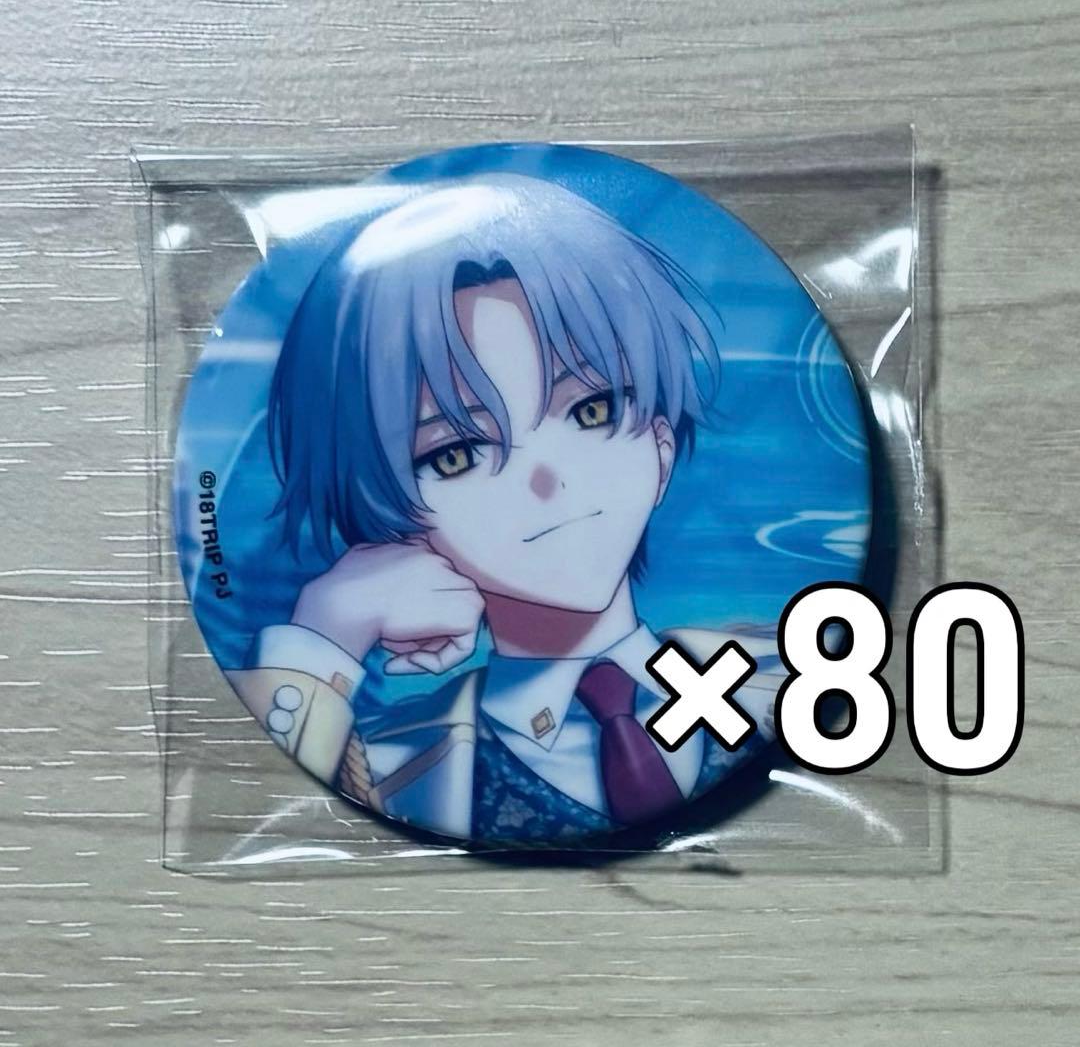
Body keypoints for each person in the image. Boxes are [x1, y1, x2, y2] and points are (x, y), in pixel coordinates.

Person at [225, 174, 782, 843]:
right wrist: (327, 631)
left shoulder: (792, 671)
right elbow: (244, 807)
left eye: (591, 410)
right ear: (389, 516)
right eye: (457, 454)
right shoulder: (395, 762)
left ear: (661, 451)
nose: (548, 481)